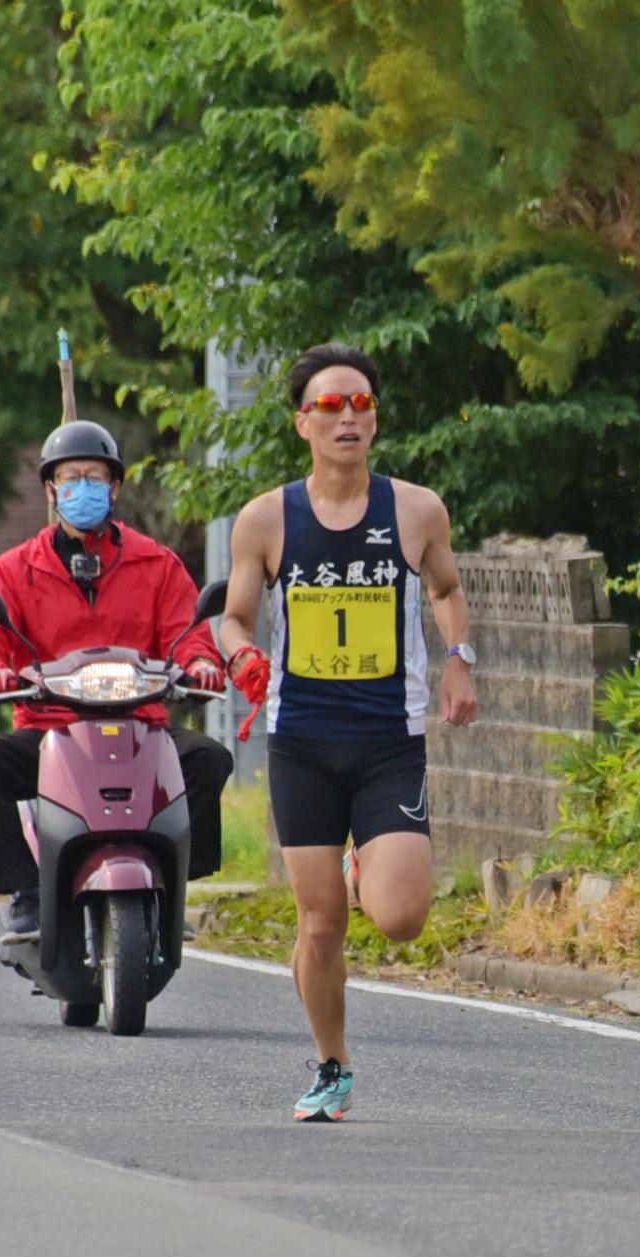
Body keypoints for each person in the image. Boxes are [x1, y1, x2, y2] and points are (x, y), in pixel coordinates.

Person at [217, 343, 479, 1121]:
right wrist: (243, 655)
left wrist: (458, 660)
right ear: (303, 420)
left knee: (401, 918)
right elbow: (231, 617)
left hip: (387, 742)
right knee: (320, 922)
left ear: (376, 419)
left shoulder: (416, 510)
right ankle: (332, 1064)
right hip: (300, 740)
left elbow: (447, 588)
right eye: (331, 406)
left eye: (361, 404)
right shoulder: (266, 519)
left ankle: (370, 858)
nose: (348, 418)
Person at [0, 420, 233, 944]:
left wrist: (200, 664)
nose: (84, 488)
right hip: (49, 726)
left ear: (116, 487)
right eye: (71, 478)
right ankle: (28, 893)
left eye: (95, 477)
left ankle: (171, 884)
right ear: (51, 489)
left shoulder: (157, 563)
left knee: (207, 758)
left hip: (141, 725)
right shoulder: (16, 569)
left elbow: (188, 634)